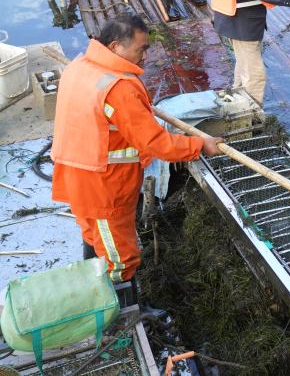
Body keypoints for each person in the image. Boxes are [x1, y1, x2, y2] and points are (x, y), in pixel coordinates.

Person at [51, 15, 222, 283]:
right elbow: (155, 143)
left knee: (95, 236)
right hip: (105, 186)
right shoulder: (119, 89)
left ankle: (92, 287)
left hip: (75, 174)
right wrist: (201, 145)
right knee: (120, 257)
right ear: (116, 46)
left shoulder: (80, 66)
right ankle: (122, 315)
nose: (145, 56)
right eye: (141, 49)